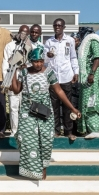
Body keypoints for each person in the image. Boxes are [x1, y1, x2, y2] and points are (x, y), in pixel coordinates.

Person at [10, 47, 81, 180]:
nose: (39, 64)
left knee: (45, 140)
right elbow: (16, 90)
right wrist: (13, 71)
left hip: (44, 111)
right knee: (24, 138)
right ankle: (31, 169)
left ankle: (42, 169)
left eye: (41, 61)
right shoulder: (24, 72)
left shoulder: (49, 72)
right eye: (36, 61)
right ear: (31, 61)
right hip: (27, 110)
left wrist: (72, 108)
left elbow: (59, 91)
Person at [44, 18, 79, 140]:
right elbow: (45, 60)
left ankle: (69, 131)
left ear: (64, 27)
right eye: (55, 25)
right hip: (53, 79)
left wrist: (76, 72)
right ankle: (56, 130)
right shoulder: (49, 42)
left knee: (67, 105)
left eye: (59, 25)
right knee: (54, 106)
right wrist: (47, 56)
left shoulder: (69, 40)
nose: (57, 27)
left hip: (66, 76)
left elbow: (73, 57)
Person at [77, 27, 99, 139]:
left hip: (92, 78)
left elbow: (97, 57)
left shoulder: (93, 40)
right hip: (87, 78)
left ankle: (95, 129)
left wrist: (92, 73)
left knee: (91, 102)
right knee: (86, 102)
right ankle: (89, 129)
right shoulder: (87, 42)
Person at [2, 26, 30, 135]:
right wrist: (7, 81)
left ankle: (25, 131)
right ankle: (15, 131)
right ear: (18, 33)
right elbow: (5, 64)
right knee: (13, 107)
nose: (23, 35)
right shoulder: (10, 46)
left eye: (26, 33)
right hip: (12, 78)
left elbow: (35, 63)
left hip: (26, 80)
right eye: (22, 32)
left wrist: (26, 65)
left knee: (25, 107)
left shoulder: (30, 46)